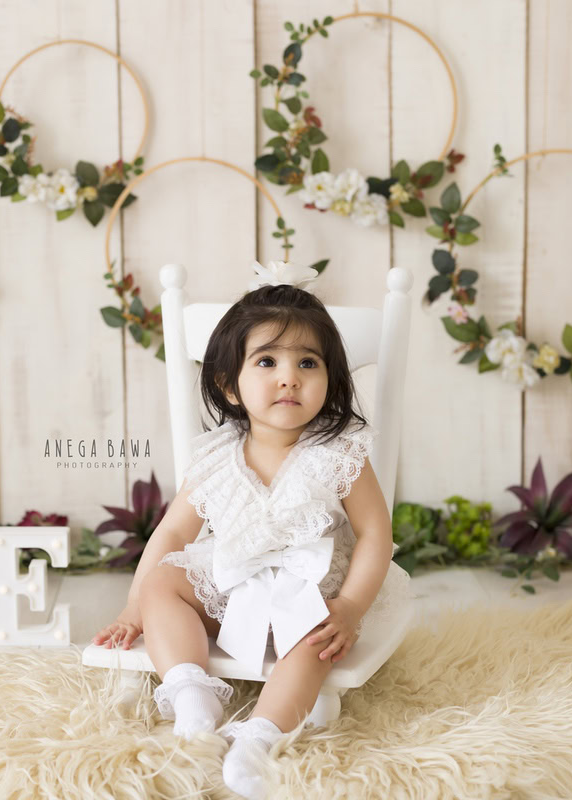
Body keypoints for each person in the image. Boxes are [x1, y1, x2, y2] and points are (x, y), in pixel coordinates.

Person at [92, 260, 411, 799]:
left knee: (316, 644)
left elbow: (377, 534)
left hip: (308, 595)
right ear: (230, 385)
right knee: (162, 583)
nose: (289, 376)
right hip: (231, 585)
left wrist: (352, 606)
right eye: (267, 361)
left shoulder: (340, 451)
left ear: (329, 381)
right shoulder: (217, 455)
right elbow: (171, 536)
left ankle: (259, 739)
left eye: (307, 362)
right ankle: (192, 692)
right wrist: (133, 607)